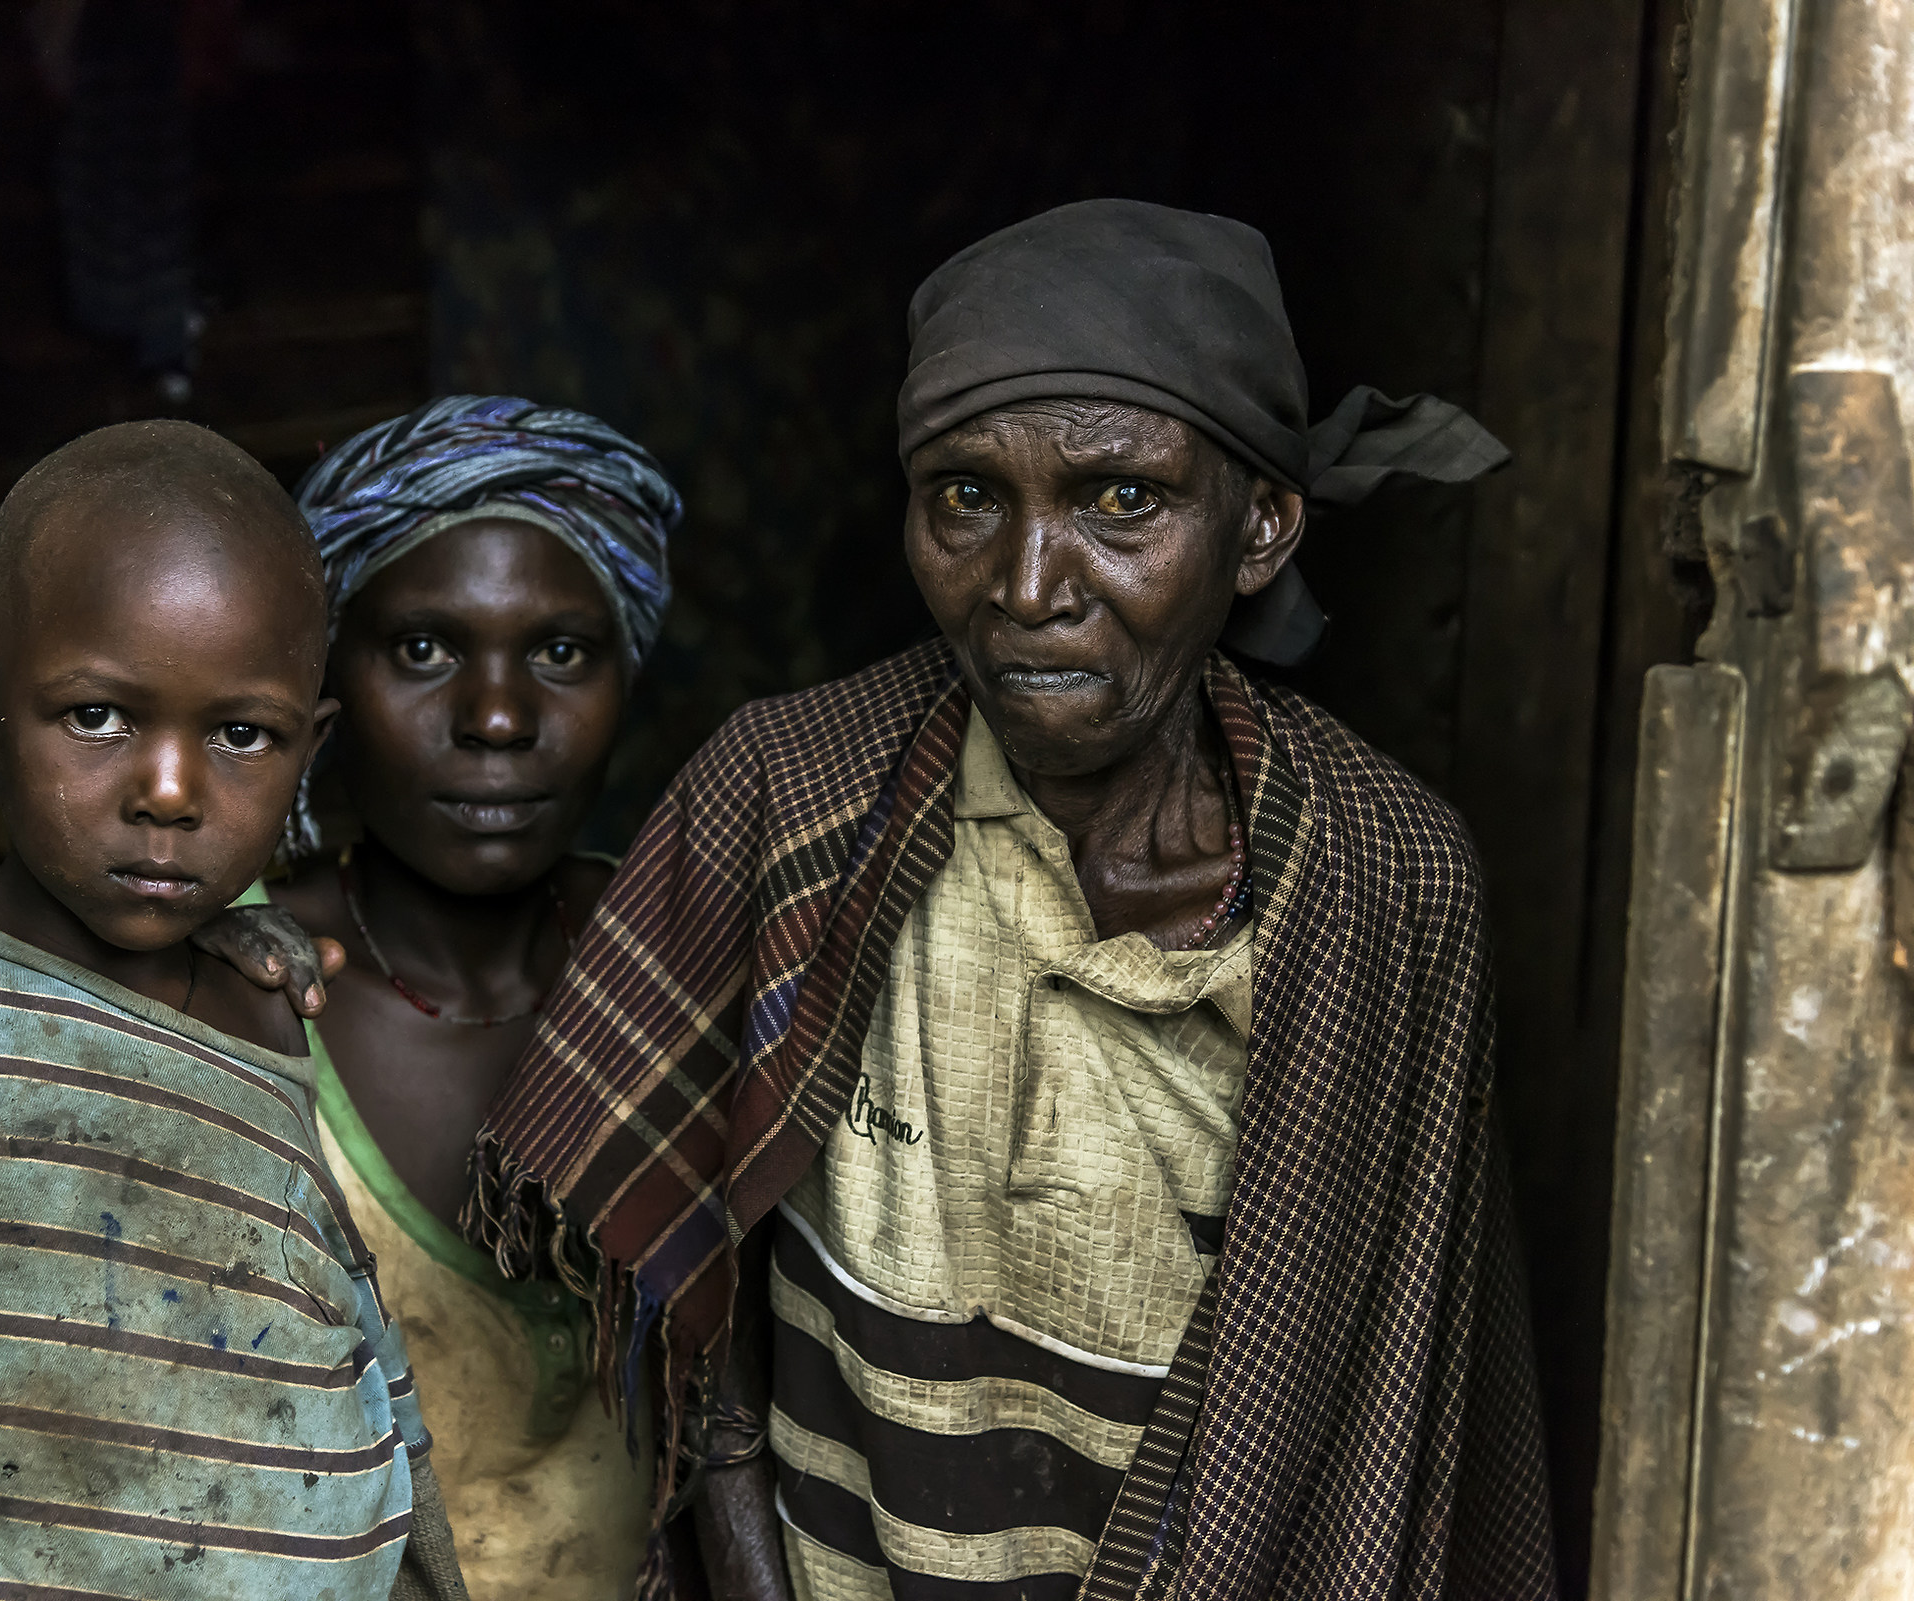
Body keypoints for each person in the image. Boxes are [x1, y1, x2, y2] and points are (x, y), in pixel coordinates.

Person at [466, 201, 1558, 1600]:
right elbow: (695, 1294)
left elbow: (1398, 1374)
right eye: (968, 498)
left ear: (1263, 527)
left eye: (1122, 502)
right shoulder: (791, 798)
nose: (1028, 588)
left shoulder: (1381, 879)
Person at [0, 421, 468, 1601]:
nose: (170, 792)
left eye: (242, 733)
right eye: (97, 717)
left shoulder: (267, 994)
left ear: (308, 749)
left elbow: (347, 1341)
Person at [233, 396, 676, 1599]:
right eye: (423, 648)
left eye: (560, 652)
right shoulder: (228, 989)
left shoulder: (691, 962)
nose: (496, 718)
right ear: (325, 679)